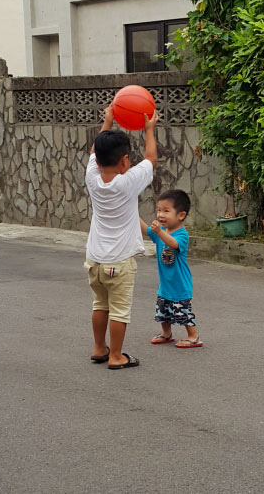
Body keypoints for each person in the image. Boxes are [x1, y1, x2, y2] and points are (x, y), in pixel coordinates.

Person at [84, 105, 158, 370]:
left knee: (100, 304)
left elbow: (94, 151)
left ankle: (99, 348)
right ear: (125, 161)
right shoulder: (127, 183)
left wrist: (107, 122)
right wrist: (149, 129)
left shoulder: (92, 177)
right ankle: (116, 356)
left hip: (94, 259)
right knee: (119, 310)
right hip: (119, 261)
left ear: (98, 160)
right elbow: (151, 159)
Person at [140, 190, 203, 348]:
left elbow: (173, 244)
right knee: (163, 311)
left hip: (180, 285)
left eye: (166, 211)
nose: (160, 215)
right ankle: (166, 333)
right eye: (159, 210)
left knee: (182, 312)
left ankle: (193, 336)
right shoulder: (161, 232)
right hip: (165, 284)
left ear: (181, 215)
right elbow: (145, 230)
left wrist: (159, 232)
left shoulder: (182, 235)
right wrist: (131, 212)